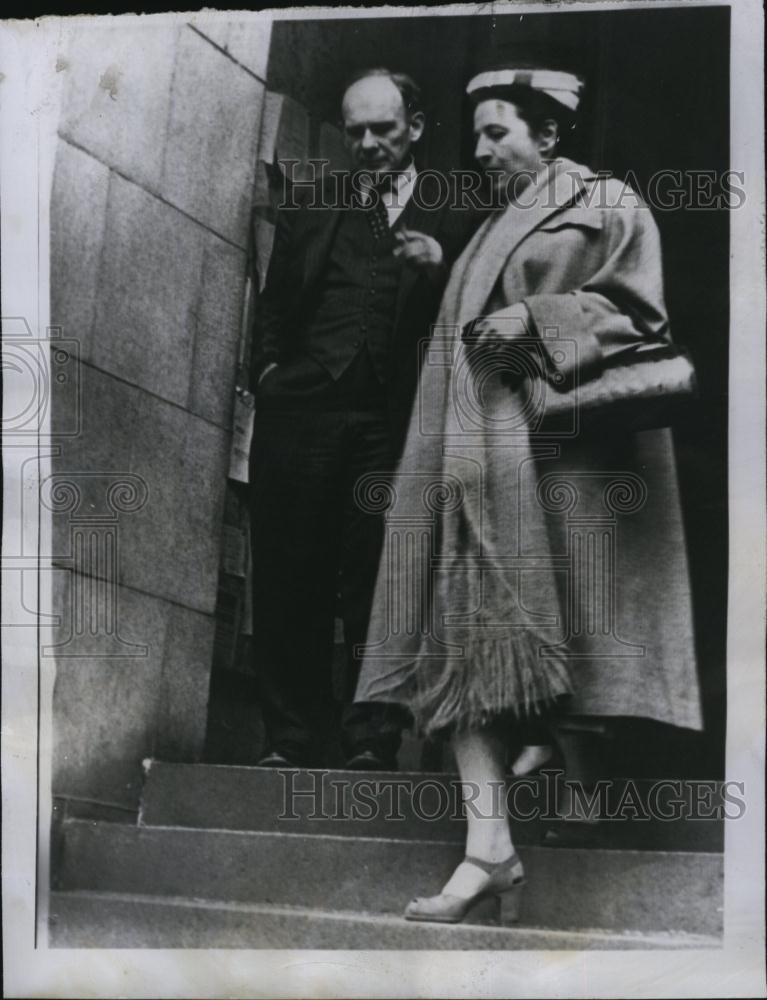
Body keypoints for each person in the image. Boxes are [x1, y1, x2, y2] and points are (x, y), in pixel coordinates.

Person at [354, 64, 702, 921]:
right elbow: (452, 359)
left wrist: (538, 322)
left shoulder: (609, 203)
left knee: (578, 639)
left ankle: (566, 793)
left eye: (497, 131)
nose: (480, 149)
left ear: (548, 134)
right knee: (464, 642)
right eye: (475, 133)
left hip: (572, 459)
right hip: (481, 466)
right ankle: (489, 849)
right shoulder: (482, 232)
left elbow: (640, 314)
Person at [249, 68, 481, 770]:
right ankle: (291, 738)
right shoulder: (315, 202)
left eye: (383, 129)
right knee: (289, 572)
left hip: (396, 417)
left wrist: (440, 267)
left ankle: (369, 738)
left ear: (414, 127)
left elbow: (487, 310)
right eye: (356, 132)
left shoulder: (457, 208)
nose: (369, 143)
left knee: (379, 576)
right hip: (305, 411)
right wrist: (268, 378)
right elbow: (277, 307)